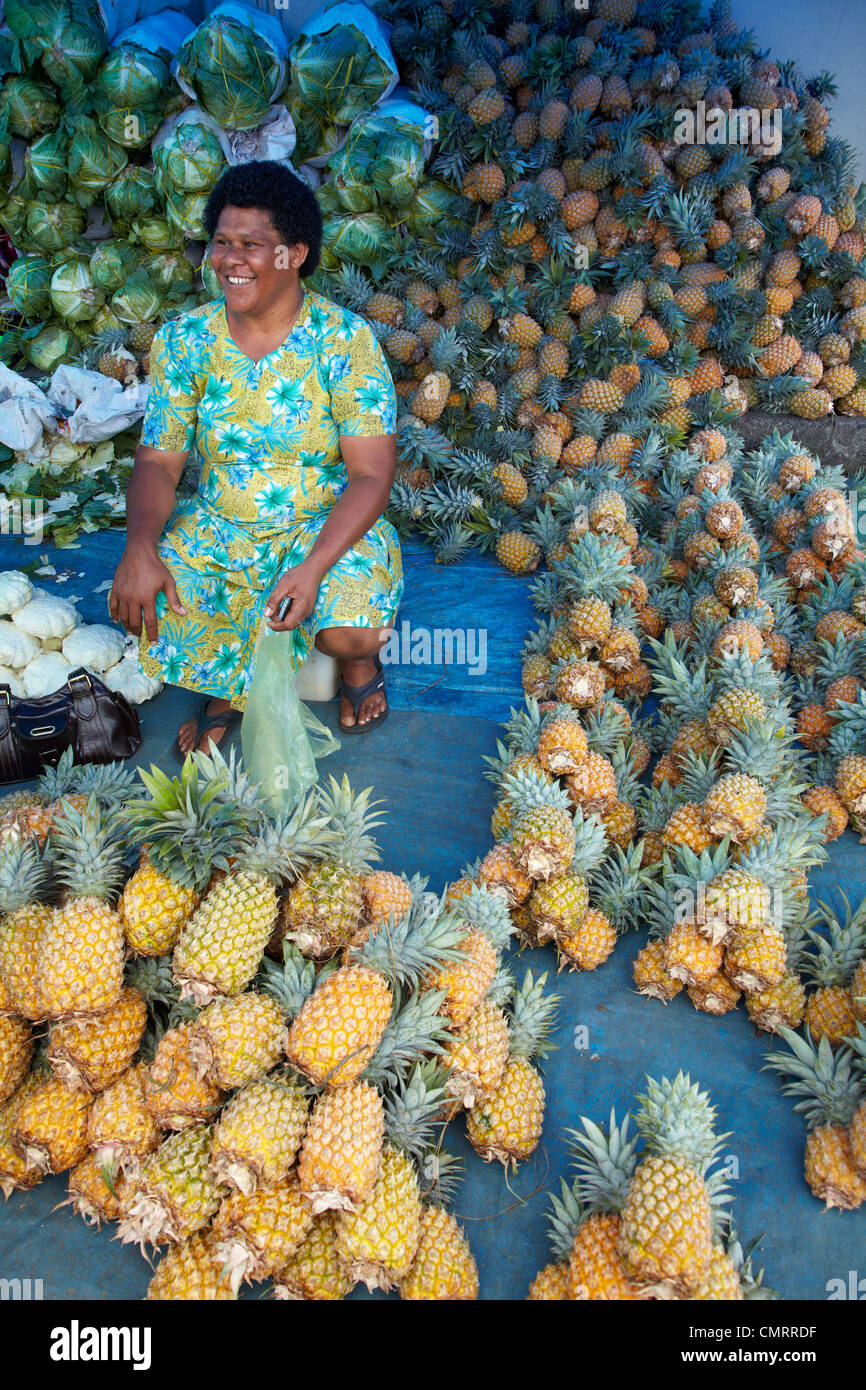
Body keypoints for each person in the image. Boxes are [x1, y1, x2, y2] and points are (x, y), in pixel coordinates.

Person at [109, 159, 402, 755]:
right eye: (220, 242)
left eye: (251, 245)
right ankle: (230, 684)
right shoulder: (186, 339)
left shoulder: (345, 341)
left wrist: (316, 564)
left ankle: (358, 666)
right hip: (222, 524)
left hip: (323, 526)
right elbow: (159, 462)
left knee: (349, 631)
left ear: (294, 254)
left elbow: (372, 475)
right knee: (146, 600)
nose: (229, 260)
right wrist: (139, 546)